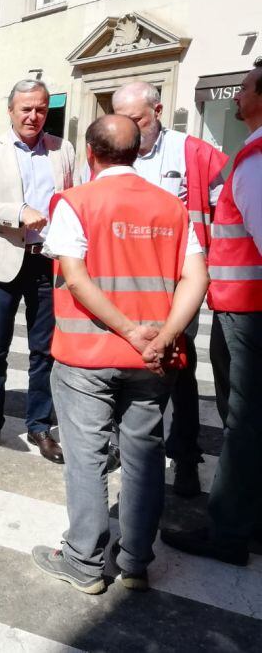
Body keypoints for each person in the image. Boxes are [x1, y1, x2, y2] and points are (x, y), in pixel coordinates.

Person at [31, 114, 209, 595]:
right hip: (154, 361)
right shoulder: (171, 207)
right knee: (145, 455)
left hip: (86, 356)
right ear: (138, 153)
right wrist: (165, 336)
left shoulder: (75, 202)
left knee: (86, 458)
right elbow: (197, 277)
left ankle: (84, 562)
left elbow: (75, 275)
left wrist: (131, 331)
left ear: (90, 153)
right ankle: (135, 563)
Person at [82, 82, 227, 496]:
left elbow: (226, 208)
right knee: (119, 369)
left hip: (175, 284)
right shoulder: (110, 156)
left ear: (159, 110)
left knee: (178, 370)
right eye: (122, 119)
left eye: (137, 119)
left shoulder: (192, 152)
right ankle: (119, 444)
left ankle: (184, 455)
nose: (129, 128)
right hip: (120, 285)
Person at [162, 60, 262, 566]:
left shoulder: (255, 159)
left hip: (248, 313)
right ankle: (250, 518)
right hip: (244, 309)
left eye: (244, 88)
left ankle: (228, 531)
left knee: (243, 421)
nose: (236, 95)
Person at [0, 79, 75, 463]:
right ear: (10, 110)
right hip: (3, 260)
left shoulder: (63, 149)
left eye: (41, 109)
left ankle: (39, 426)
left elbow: (74, 199)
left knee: (44, 350)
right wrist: (17, 213)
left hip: (47, 260)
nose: (34, 116)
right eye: (26, 108)